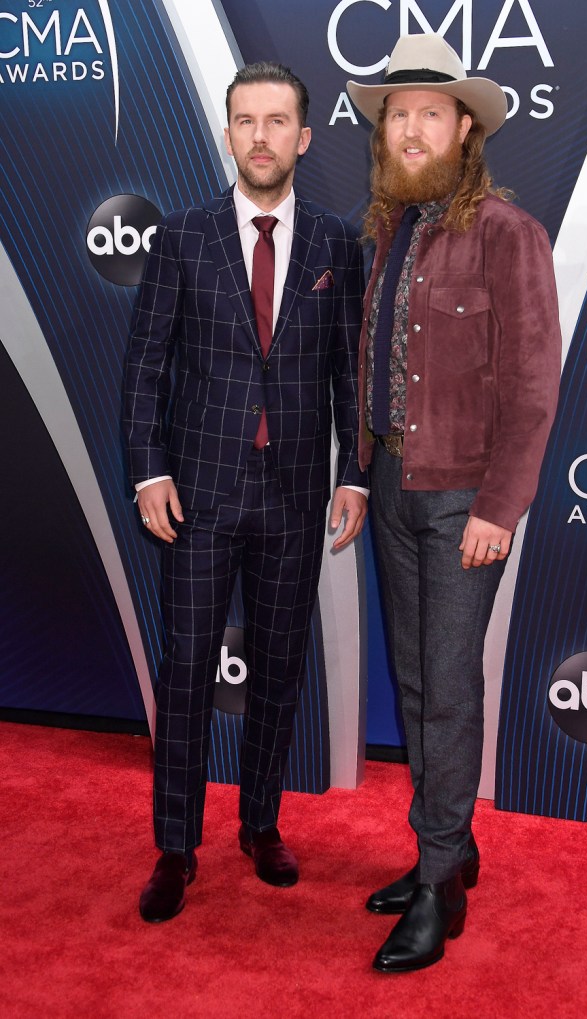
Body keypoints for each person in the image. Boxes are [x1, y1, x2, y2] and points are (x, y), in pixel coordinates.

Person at [123, 61, 367, 923]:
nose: (260, 136)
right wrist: (149, 469)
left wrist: (356, 474)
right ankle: (175, 844)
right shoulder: (184, 237)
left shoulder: (340, 243)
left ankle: (260, 822)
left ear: (303, 136)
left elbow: (352, 376)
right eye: (244, 121)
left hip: (297, 496)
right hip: (198, 494)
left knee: (278, 668)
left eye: (276, 121)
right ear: (227, 133)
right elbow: (147, 365)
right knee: (187, 668)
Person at [346, 34, 561, 972]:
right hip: (394, 483)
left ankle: (439, 888)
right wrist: (360, 473)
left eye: (431, 110)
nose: (413, 126)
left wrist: (498, 508)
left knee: (448, 692)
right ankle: (450, 847)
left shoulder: (508, 233)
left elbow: (533, 385)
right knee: (421, 683)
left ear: (466, 126)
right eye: (399, 113)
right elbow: (372, 372)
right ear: (384, 133)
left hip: (466, 497)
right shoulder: (390, 231)